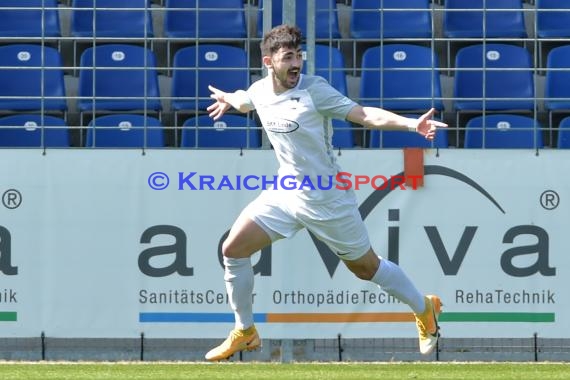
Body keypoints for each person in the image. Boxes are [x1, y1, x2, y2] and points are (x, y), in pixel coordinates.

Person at [204, 24, 447, 361]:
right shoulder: (260, 90)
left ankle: (424, 308)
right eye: (288, 57)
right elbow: (247, 101)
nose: (296, 64)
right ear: (268, 61)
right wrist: (229, 99)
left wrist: (410, 124)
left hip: (327, 198)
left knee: (366, 268)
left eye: (299, 57)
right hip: (286, 193)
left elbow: (364, 115)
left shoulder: (315, 90)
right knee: (233, 249)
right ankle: (245, 331)